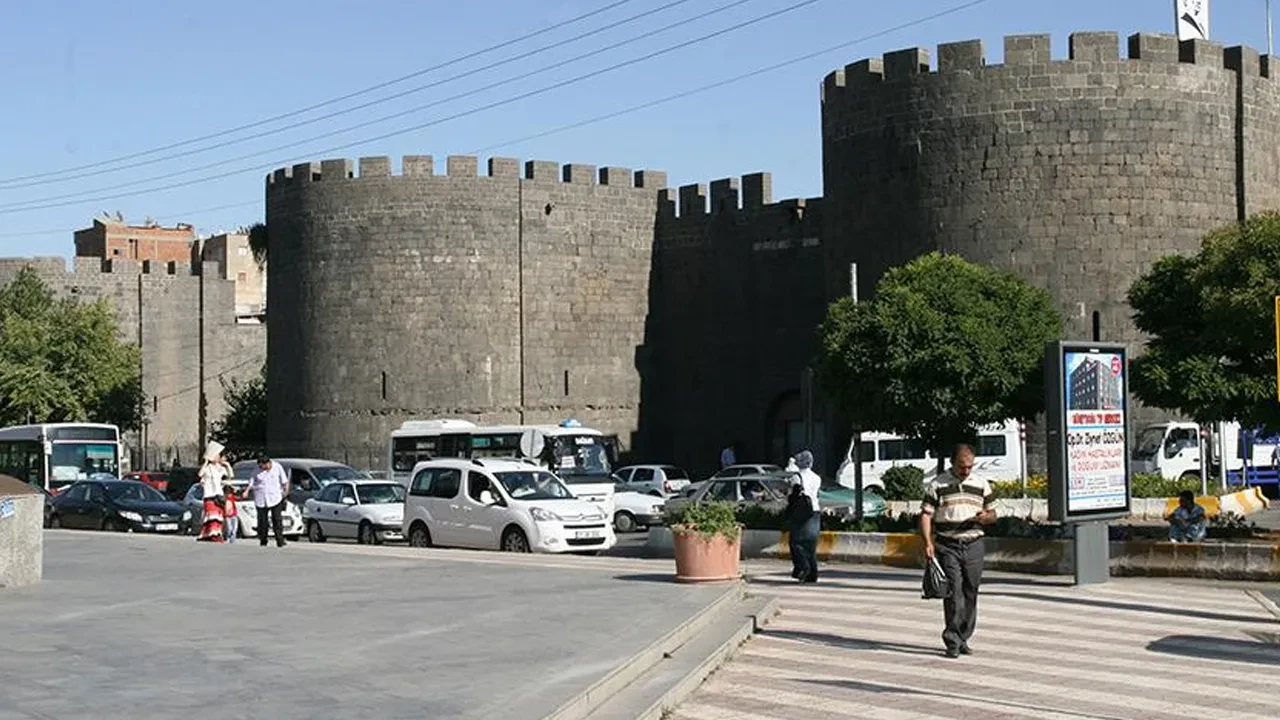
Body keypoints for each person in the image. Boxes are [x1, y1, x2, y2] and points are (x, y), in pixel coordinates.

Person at [920, 444, 996, 659]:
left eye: (970, 467)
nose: (966, 471)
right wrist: (928, 542)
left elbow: (993, 513)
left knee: (971, 591)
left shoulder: (981, 484)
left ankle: (964, 636)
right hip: (948, 544)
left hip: (973, 544)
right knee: (954, 592)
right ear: (953, 463)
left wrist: (986, 517)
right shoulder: (937, 484)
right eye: (962, 467)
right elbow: (926, 515)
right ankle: (952, 639)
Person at [787, 450, 822, 583]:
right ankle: (813, 574)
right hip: (815, 511)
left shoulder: (796, 476)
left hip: (801, 512)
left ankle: (803, 567)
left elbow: (793, 488)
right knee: (811, 545)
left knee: (796, 542)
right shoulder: (817, 477)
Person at [245, 455, 290, 547]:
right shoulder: (256, 469)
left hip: (275, 497)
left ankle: (280, 540)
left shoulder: (277, 467)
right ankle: (263, 539)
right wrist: (246, 491)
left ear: (268, 463)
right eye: (260, 466)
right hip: (261, 498)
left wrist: (286, 491)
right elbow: (251, 481)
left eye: (263, 466)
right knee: (262, 521)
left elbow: (285, 481)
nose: (262, 468)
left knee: (277, 520)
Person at [196, 442, 233, 543]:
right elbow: (200, 474)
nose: (219, 457)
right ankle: (212, 534)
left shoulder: (220, 468)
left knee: (218, 516)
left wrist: (227, 465)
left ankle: (216, 533)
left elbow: (230, 475)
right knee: (212, 515)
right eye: (217, 455)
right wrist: (206, 462)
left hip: (218, 495)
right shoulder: (208, 468)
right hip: (209, 495)